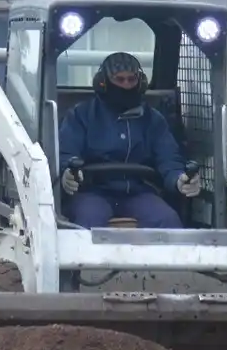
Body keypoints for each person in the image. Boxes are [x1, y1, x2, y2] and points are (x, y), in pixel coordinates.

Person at [57, 51, 201, 229]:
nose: (126, 85)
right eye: (119, 79)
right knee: (89, 220)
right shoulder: (81, 115)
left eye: (131, 80)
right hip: (92, 192)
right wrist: (67, 173)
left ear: (140, 83)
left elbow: (169, 157)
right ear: (103, 83)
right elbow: (66, 153)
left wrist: (179, 179)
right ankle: (82, 258)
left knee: (167, 219)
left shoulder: (153, 120)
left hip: (137, 191)